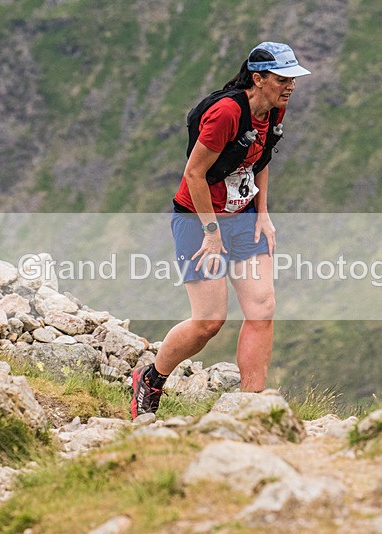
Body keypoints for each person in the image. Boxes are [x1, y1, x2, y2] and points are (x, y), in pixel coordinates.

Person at [130, 42, 311, 419]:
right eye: (282, 79)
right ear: (258, 78)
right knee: (209, 321)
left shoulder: (276, 107)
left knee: (262, 307)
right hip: (198, 219)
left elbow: (262, 156)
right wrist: (211, 232)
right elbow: (194, 174)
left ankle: (252, 408)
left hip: (243, 217)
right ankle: (150, 378)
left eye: (293, 78)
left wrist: (263, 213)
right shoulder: (227, 113)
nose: (290, 86)